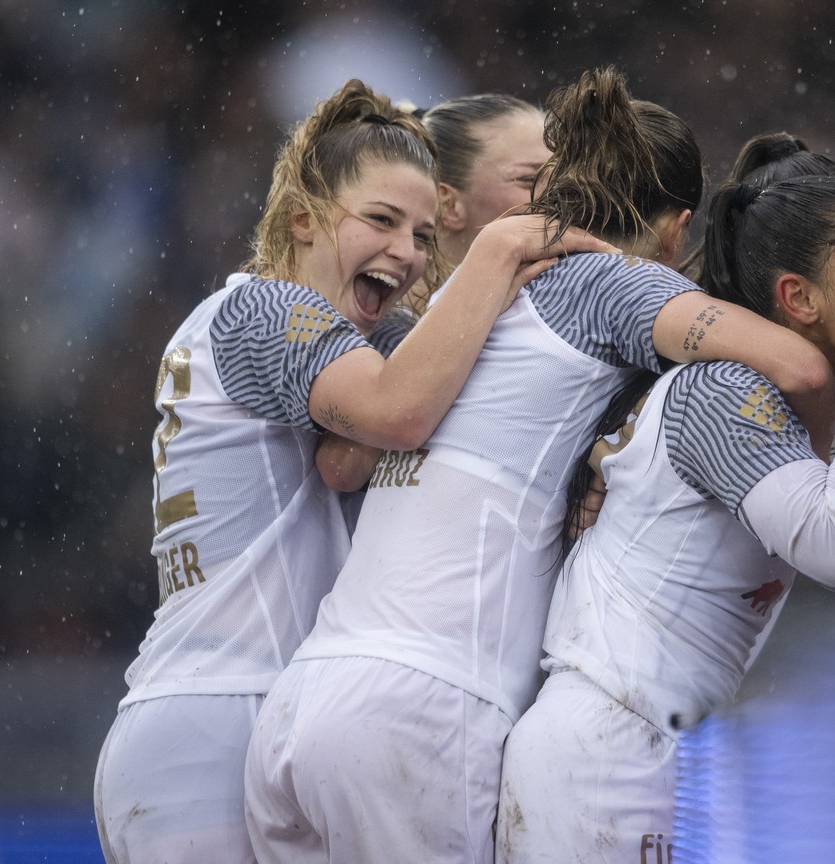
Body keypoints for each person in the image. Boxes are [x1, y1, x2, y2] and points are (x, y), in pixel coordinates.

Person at [242, 67, 835, 864]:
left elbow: (343, 462)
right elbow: (799, 366)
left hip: (300, 704)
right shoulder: (607, 284)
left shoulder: (455, 315)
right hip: (422, 710)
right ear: (675, 230)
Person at [91, 79, 611, 864]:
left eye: (424, 234)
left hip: (235, 715)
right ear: (301, 219)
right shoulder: (264, 308)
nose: (406, 252)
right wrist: (503, 249)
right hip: (219, 721)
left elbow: (358, 453)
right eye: (380, 220)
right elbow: (398, 411)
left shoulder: (285, 327)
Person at [494, 162, 835, 862]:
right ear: (798, 297)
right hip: (601, 748)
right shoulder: (722, 391)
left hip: (648, 743)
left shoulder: (817, 392)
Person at [411, 94, 551, 310]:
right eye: (529, 180)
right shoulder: (377, 334)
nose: (559, 196)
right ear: (446, 203)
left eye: (562, 179)